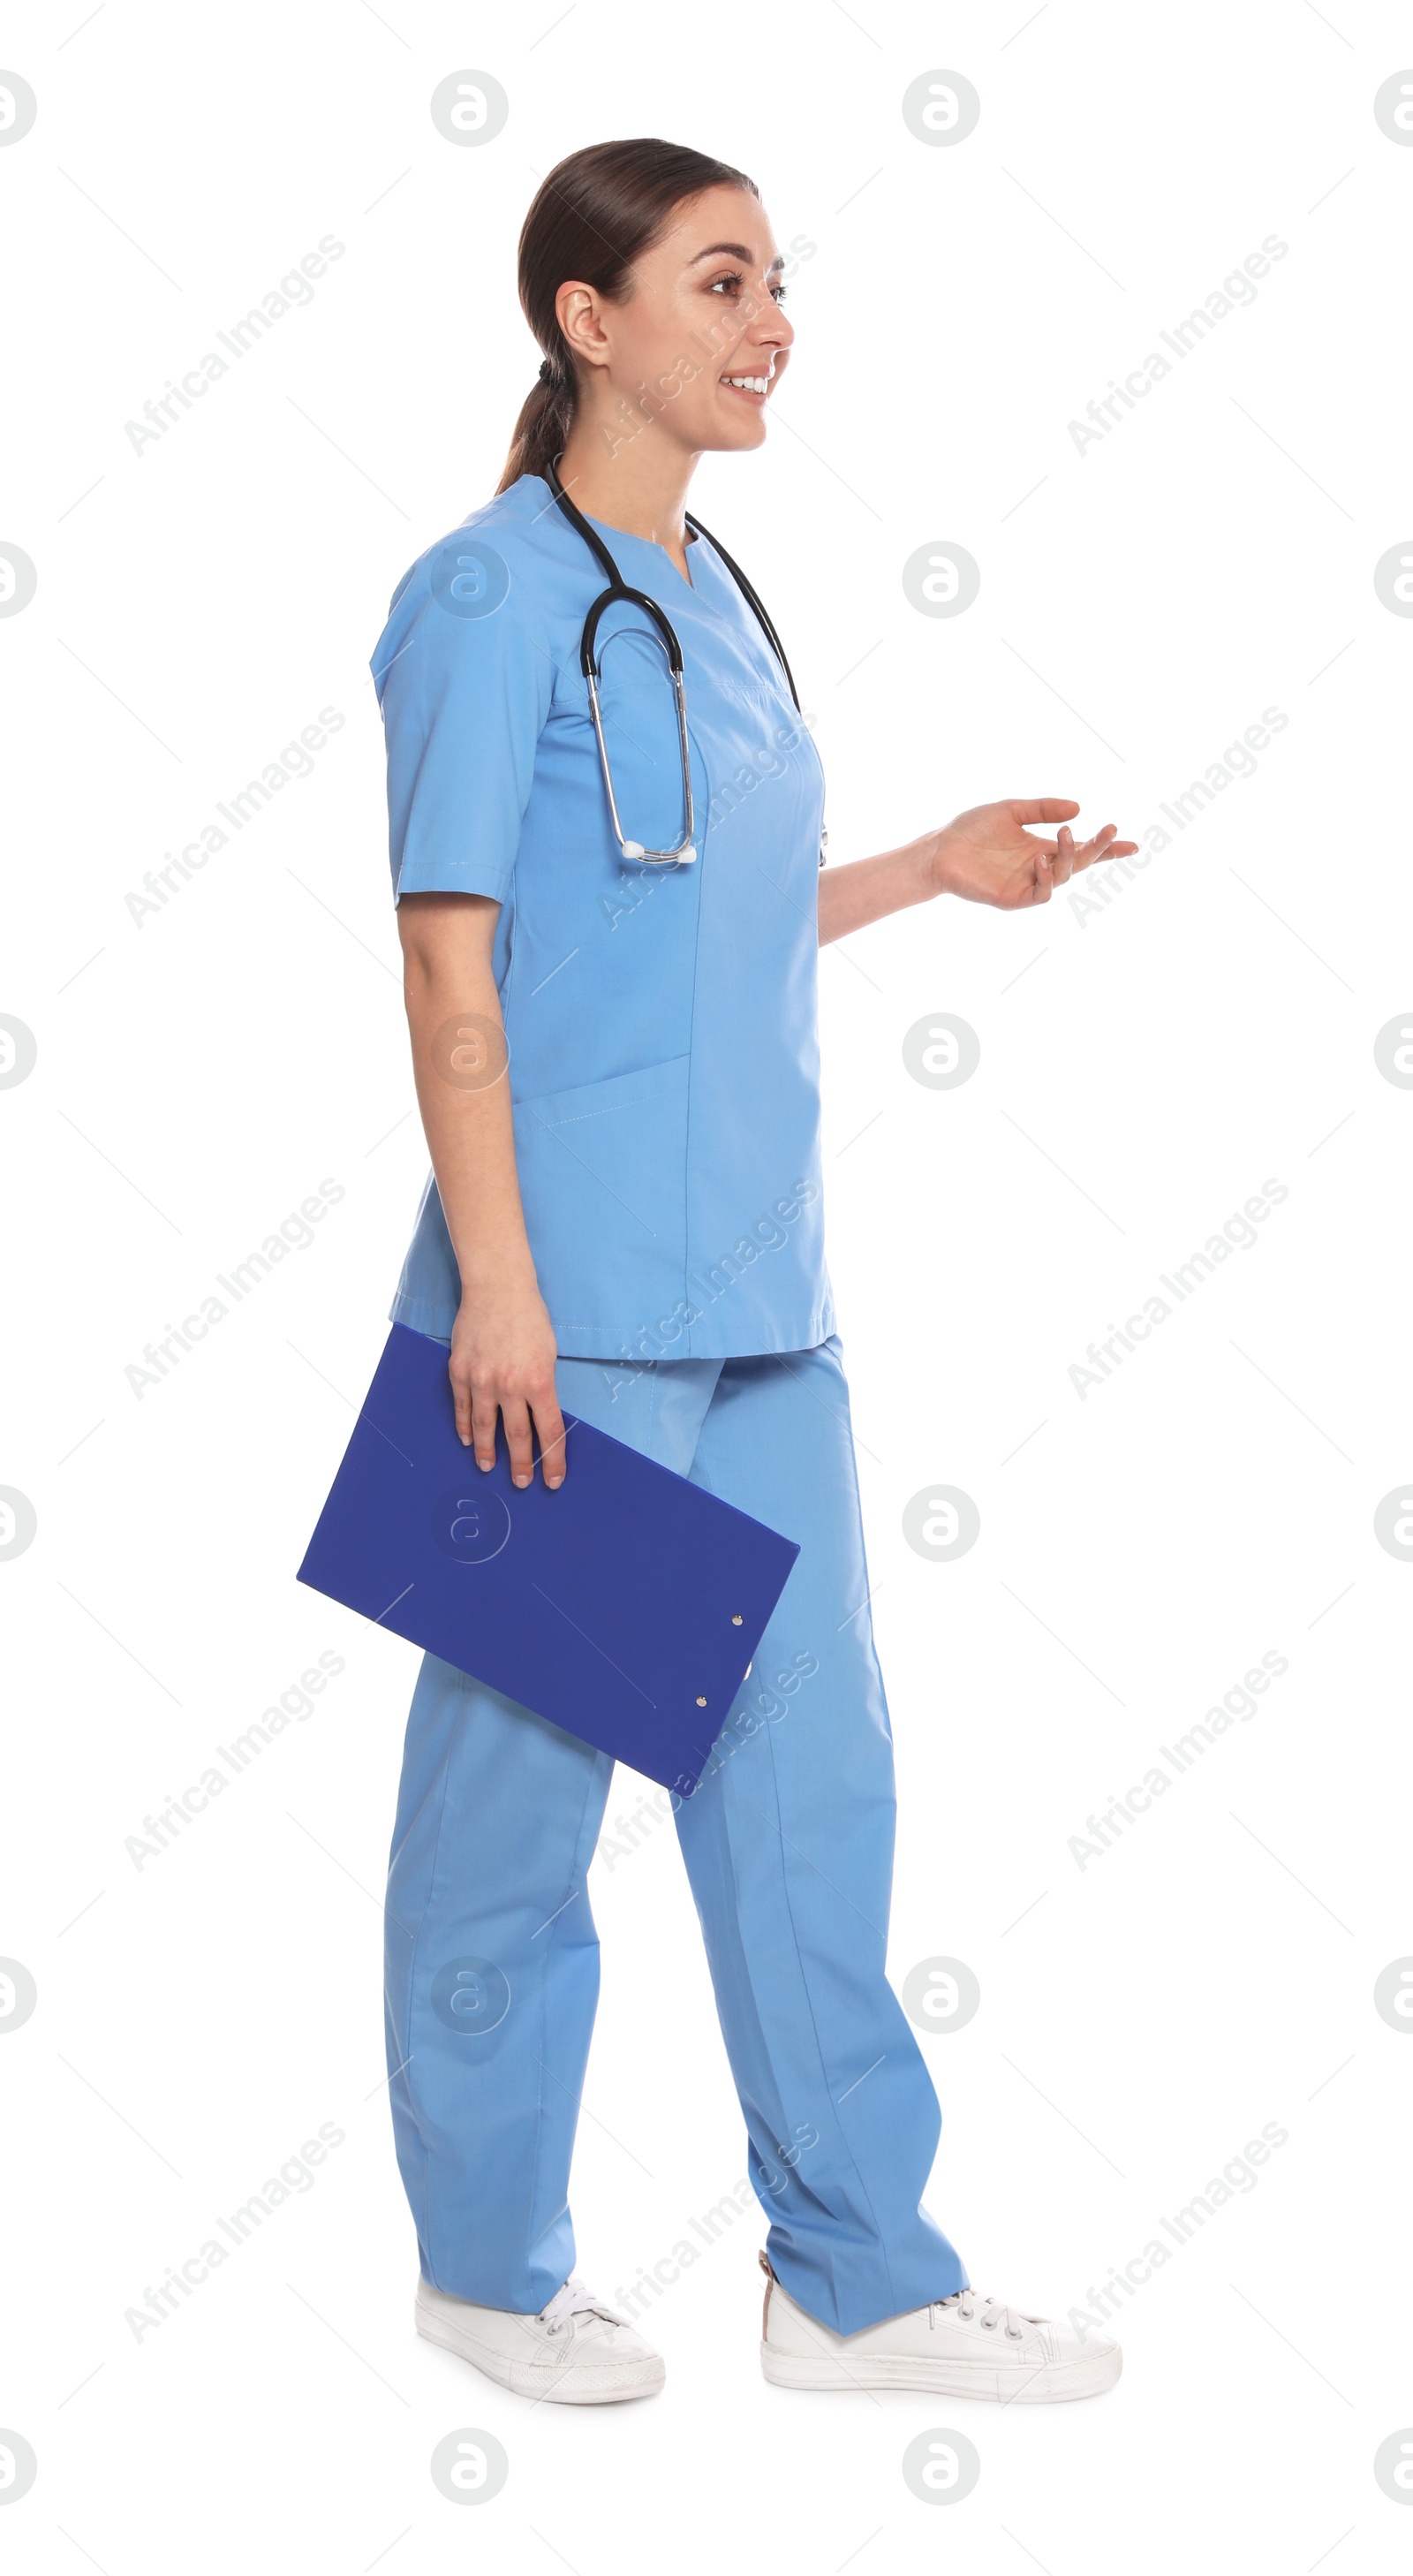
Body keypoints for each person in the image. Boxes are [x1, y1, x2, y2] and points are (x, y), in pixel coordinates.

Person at [373, 137, 1135, 2407]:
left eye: (776, 279)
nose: (768, 318)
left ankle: (855, 2279)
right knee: (513, 1808)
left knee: (812, 1790)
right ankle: (489, 2273)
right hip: (566, 1318)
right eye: (720, 281)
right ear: (588, 322)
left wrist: (920, 868)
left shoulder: (714, 591)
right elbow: (454, 964)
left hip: (761, 1315)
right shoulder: (489, 596)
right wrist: (497, 1286)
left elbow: (687, 933)